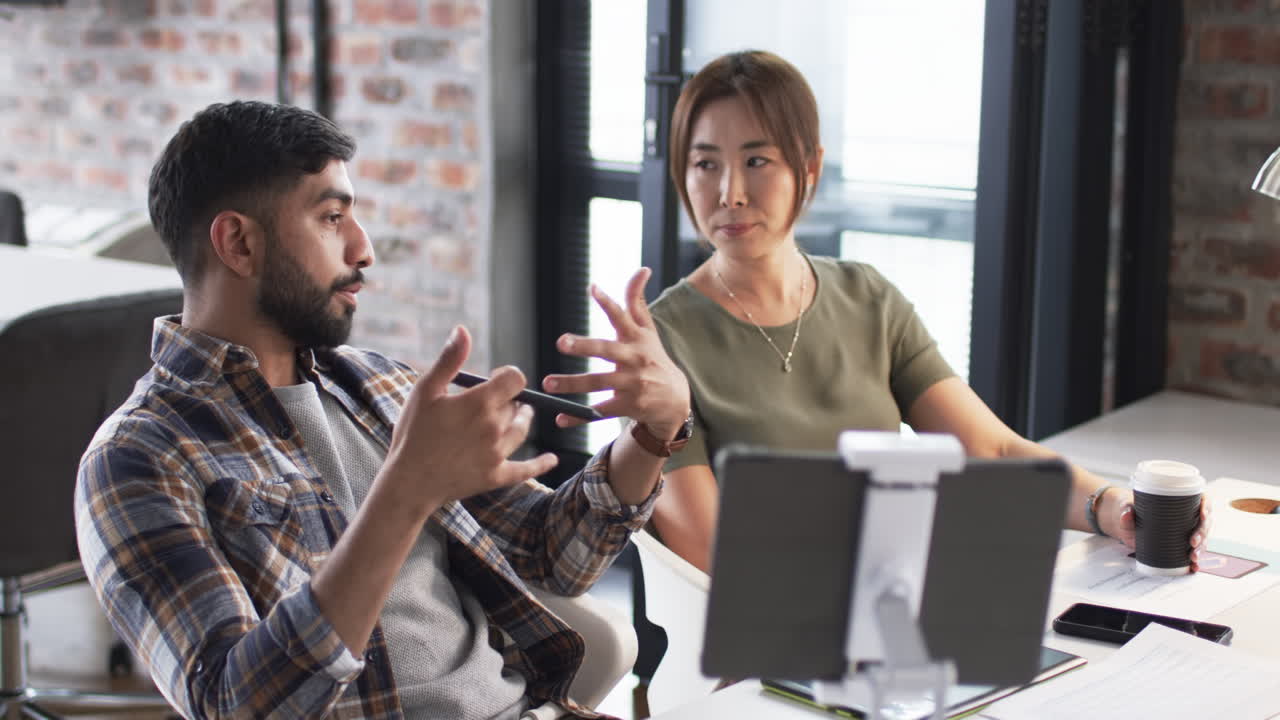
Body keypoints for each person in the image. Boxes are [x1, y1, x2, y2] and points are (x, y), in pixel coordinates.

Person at [74, 101, 690, 719]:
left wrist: (653, 434)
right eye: (331, 217)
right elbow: (237, 704)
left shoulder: (375, 385)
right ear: (238, 242)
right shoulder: (135, 460)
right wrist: (403, 495)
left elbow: (553, 555)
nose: (363, 248)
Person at [639, 50, 1210, 574]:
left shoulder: (868, 298)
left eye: (757, 160)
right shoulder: (662, 341)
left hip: (896, 612)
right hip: (763, 646)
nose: (729, 192)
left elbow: (992, 449)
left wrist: (1110, 507)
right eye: (705, 164)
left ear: (809, 165)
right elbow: (708, 553)